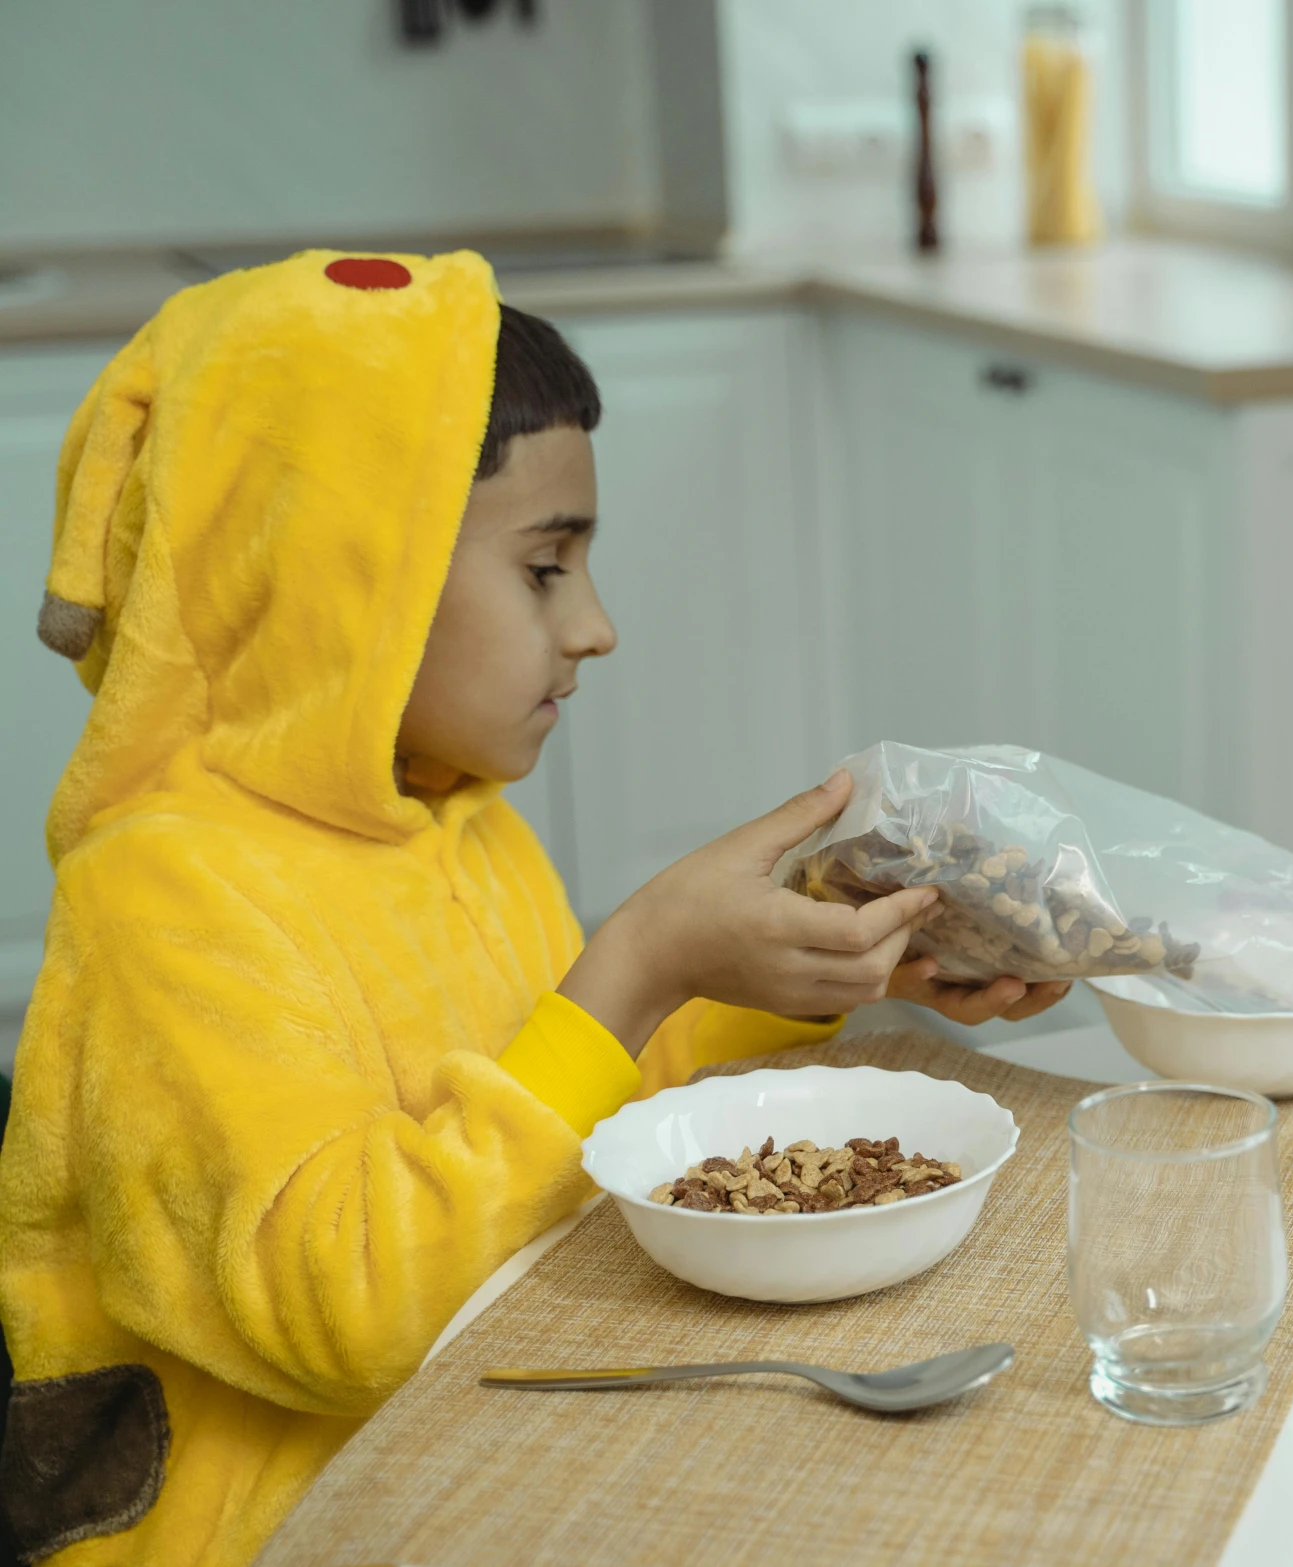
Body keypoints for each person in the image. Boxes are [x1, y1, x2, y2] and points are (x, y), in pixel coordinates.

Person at [0, 251, 1061, 1566]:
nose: (597, 625)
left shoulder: (455, 815)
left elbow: (557, 1096)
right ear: (346, 584)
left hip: (499, 1422)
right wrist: (632, 959)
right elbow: (343, 1311)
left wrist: (811, 964)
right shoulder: (161, 893)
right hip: (290, 1515)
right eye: (546, 567)